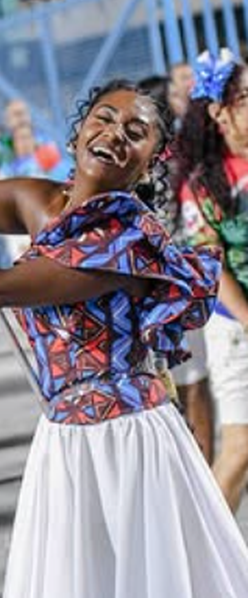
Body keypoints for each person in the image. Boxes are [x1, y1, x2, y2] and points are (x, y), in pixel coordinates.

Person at [0, 29, 248, 597]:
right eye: (104, 118)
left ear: (152, 161)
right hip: (66, 436)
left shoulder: (126, 234)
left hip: (127, 441)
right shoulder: (40, 199)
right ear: (81, 126)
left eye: (135, 133)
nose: (114, 135)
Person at [175, 50, 248, 505]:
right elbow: (211, 262)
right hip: (235, 327)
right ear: (220, 112)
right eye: (246, 98)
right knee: (240, 448)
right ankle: (211, 567)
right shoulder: (203, 183)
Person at [137, 74, 216, 462]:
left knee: (185, 387)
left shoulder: (158, 161)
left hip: (163, 289)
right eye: (171, 94)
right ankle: (203, 469)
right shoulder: (172, 160)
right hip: (176, 287)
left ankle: (200, 466)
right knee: (192, 385)